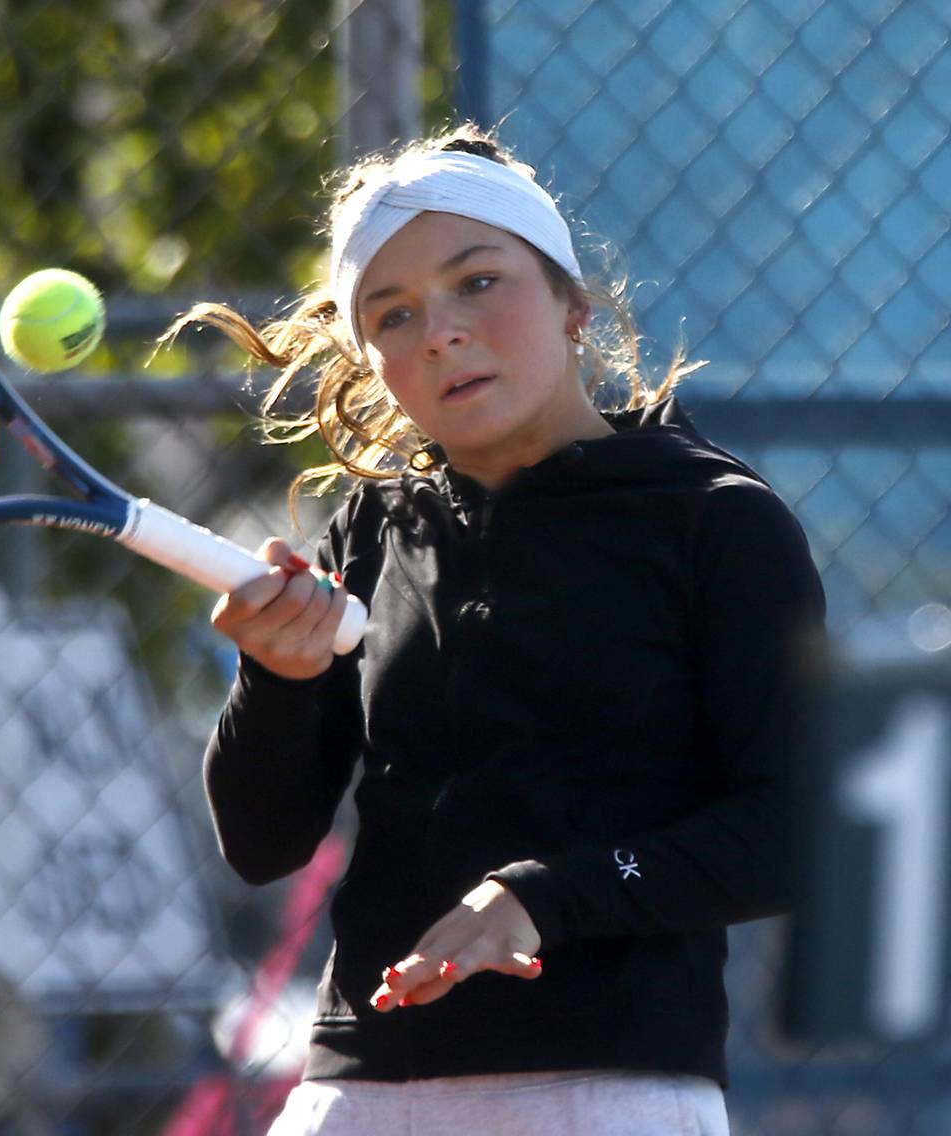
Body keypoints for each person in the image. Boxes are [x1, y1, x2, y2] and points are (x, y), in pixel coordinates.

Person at [165, 122, 826, 1135]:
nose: (439, 332)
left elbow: (791, 830)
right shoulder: (373, 525)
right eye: (393, 314)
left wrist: (543, 896)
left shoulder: (718, 520)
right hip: (360, 1084)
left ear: (572, 302)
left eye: (479, 282)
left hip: (613, 1086)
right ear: (372, 358)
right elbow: (262, 841)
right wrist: (277, 681)